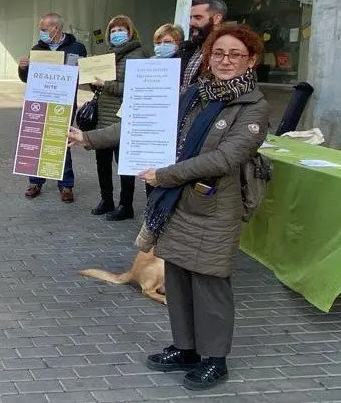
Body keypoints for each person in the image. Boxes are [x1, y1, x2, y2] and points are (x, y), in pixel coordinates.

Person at [69, 24, 269, 391]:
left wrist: (165, 175)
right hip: (177, 204)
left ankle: (214, 359)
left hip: (214, 208)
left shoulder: (254, 107)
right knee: (177, 280)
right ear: (208, 57)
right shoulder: (193, 94)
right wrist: (88, 139)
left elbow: (225, 159)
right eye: (218, 53)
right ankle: (187, 348)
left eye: (235, 54)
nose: (225, 61)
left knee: (210, 285)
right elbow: (141, 125)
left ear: (251, 60)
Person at [17, 12, 87, 203]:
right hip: (39, 102)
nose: (41, 33)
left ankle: (66, 184)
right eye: (40, 29)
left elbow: (85, 75)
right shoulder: (37, 49)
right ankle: (35, 182)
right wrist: (23, 67)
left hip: (63, 103)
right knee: (37, 140)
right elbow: (26, 79)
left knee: (60, 141)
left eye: (44, 29)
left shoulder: (77, 48)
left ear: (57, 28)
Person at [89, 15, 149, 221]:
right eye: (113, 31)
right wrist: (93, 82)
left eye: (121, 30)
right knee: (102, 162)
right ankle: (106, 200)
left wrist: (106, 85)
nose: (116, 34)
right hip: (103, 117)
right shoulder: (107, 54)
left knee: (124, 165)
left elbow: (136, 88)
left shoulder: (137, 55)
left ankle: (126, 205)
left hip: (123, 117)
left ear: (130, 31)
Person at [147, 23, 186, 198]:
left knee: (168, 171)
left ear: (178, 43)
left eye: (167, 41)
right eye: (158, 42)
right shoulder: (149, 64)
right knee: (150, 172)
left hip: (174, 124)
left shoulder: (184, 66)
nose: (162, 46)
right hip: (151, 123)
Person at [181, 0, 227, 88]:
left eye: (198, 18)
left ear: (217, 19)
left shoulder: (227, 51)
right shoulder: (187, 49)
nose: (191, 23)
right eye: (191, 18)